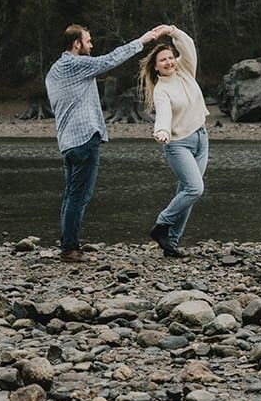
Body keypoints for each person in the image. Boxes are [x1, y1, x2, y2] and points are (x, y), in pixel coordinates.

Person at [46, 21, 169, 262]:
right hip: (83, 139)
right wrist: (143, 40)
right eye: (88, 41)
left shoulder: (55, 69)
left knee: (72, 194)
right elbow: (109, 60)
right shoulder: (74, 63)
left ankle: (69, 243)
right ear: (76, 44)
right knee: (79, 195)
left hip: (68, 141)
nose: (91, 45)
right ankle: (70, 248)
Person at [138, 23, 208, 257]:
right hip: (178, 145)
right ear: (156, 68)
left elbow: (188, 47)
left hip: (201, 139)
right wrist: (163, 132)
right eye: (163, 61)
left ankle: (172, 242)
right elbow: (164, 114)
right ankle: (162, 224)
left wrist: (172, 31)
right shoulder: (161, 90)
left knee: (186, 191)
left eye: (170, 57)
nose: (169, 62)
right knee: (195, 189)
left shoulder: (186, 70)